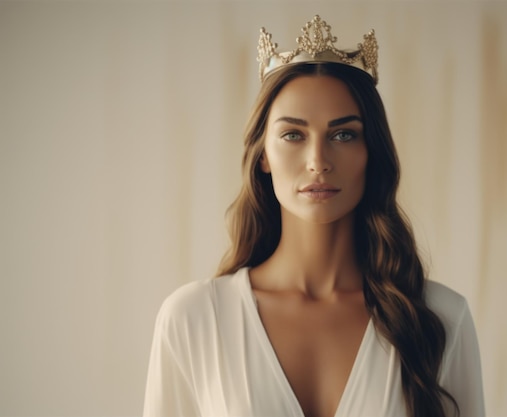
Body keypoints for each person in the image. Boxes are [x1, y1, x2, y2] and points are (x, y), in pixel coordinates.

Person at [143, 15, 485, 417]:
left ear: (370, 152)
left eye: (343, 135)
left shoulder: (440, 319)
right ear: (263, 155)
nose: (318, 161)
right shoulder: (193, 320)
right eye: (293, 134)